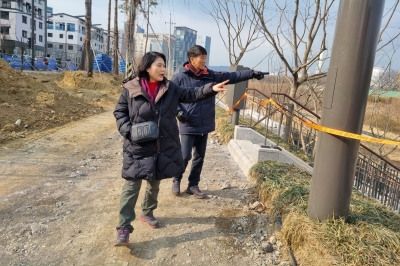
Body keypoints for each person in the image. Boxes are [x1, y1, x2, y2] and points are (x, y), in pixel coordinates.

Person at [113, 51, 229, 246]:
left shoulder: (170, 88)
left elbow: (192, 94)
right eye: (159, 65)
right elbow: (120, 112)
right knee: (132, 185)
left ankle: (147, 212)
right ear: (147, 67)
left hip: (161, 145)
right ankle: (124, 227)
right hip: (137, 146)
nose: (163, 69)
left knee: (154, 181)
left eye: (164, 65)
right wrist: (129, 131)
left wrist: (211, 88)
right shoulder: (130, 88)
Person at [171, 45, 265, 199]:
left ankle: (193, 185)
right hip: (188, 122)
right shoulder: (179, 77)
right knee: (185, 156)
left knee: (200, 156)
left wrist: (252, 73)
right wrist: (178, 112)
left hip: (205, 121)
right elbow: (171, 98)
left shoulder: (210, 75)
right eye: (201, 57)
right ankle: (176, 179)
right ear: (192, 59)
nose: (204, 61)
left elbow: (232, 76)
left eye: (205, 57)